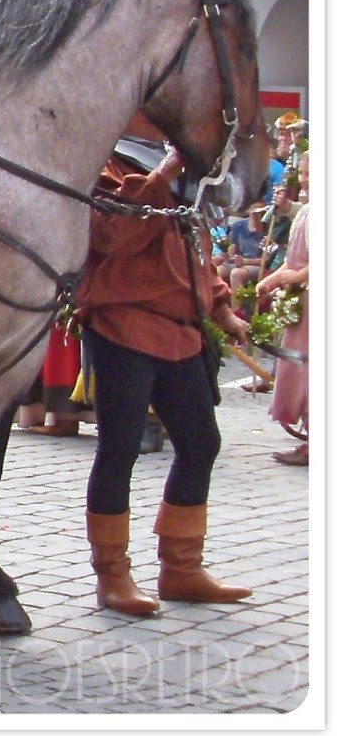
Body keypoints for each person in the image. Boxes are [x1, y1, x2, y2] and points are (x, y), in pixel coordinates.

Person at [75, 121, 251, 617]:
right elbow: (115, 237)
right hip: (122, 325)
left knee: (201, 443)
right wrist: (168, 169)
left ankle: (181, 568)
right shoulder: (104, 162)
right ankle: (112, 575)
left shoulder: (181, 171)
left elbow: (196, 250)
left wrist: (220, 308)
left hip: (180, 330)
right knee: (120, 450)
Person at [256, 150, 308, 465]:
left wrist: (296, 276)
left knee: (310, 369)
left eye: (311, 175)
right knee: (297, 368)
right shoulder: (305, 213)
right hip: (300, 299)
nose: (305, 181)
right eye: (302, 175)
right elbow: (292, 259)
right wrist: (272, 280)